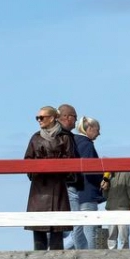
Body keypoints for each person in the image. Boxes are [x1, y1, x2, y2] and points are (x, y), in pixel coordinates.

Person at [24, 106, 76, 250]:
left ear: (52, 118)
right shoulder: (35, 138)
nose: (39, 120)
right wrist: (37, 170)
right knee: (38, 228)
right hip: (39, 188)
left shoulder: (65, 137)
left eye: (42, 117)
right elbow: (27, 160)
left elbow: (71, 160)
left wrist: (56, 168)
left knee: (57, 228)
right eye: (37, 118)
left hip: (58, 187)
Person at [67, 116, 105, 250]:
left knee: (77, 230)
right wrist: (102, 180)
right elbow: (90, 171)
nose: (99, 133)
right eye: (97, 130)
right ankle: (90, 258)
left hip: (75, 192)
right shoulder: (87, 145)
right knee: (89, 232)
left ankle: (64, 253)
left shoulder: (73, 142)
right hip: (88, 193)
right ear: (89, 128)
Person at [57, 104, 85, 247]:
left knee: (66, 225)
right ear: (67, 117)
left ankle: (54, 250)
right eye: (74, 117)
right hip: (68, 184)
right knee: (76, 221)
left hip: (64, 184)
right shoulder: (62, 136)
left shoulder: (65, 135)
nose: (76, 121)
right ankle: (84, 254)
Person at [103, 170, 130, 250]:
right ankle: (112, 255)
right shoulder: (107, 175)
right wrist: (105, 188)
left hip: (123, 208)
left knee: (124, 235)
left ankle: (125, 254)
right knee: (111, 236)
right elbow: (105, 196)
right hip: (110, 209)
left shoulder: (127, 173)